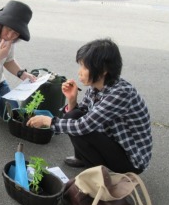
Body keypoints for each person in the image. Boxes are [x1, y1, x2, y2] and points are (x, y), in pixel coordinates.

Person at [27, 38, 152, 174]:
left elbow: (83, 126)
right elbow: (79, 115)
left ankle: (102, 176)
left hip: (130, 160)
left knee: (81, 128)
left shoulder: (120, 94)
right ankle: (83, 159)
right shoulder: (96, 87)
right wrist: (72, 100)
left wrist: (47, 121)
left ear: (103, 70)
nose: (80, 72)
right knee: (72, 115)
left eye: (85, 67)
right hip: (113, 141)